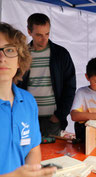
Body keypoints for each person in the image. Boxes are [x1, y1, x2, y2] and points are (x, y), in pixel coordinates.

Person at [0, 22, 56, 176]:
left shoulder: (28, 101)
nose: (2, 58)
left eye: (10, 50)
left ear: (19, 60)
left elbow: (32, 149)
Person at [18, 13, 76, 137]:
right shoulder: (22, 55)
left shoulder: (61, 54)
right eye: (39, 35)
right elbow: (15, 86)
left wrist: (59, 115)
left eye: (47, 34)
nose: (44, 39)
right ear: (29, 31)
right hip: (27, 118)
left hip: (52, 120)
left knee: (53, 155)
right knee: (28, 155)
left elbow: (70, 87)